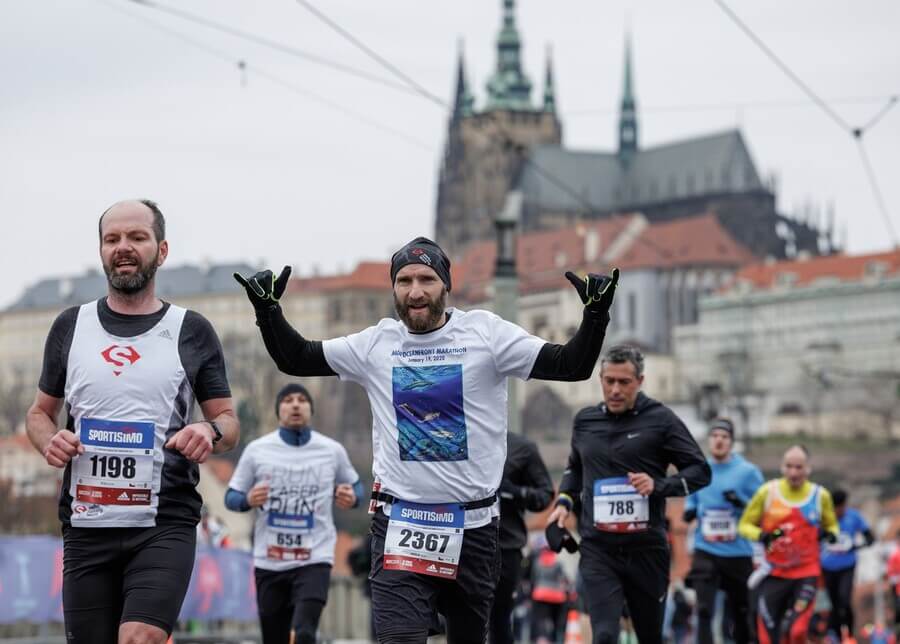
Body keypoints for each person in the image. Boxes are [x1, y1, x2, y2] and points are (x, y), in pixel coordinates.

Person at [234, 236, 619, 643]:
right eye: (403, 281)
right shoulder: (375, 343)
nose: (415, 291)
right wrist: (268, 310)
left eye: (426, 279)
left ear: (446, 286)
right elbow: (296, 357)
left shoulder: (486, 333)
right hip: (401, 523)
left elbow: (571, 366)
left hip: (474, 528)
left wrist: (595, 314)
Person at [25, 199, 239, 644]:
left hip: (163, 522)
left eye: (136, 238)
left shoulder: (190, 330)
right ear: (102, 251)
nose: (123, 247)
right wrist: (49, 441)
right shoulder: (71, 325)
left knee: (139, 637)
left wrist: (208, 430)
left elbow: (228, 421)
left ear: (161, 251)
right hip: (87, 524)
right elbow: (39, 414)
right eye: (112, 239)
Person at [547, 344, 712, 644]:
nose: (615, 389)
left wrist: (658, 486)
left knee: (649, 637)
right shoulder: (585, 420)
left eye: (624, 382)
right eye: (608, 381)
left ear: (640, 381)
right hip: (599, 550)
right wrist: (564, 502)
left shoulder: (661, 419)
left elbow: (700, 471)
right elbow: (575, 467)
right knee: (606, 636)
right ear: (600, 379)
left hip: (646, 550)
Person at [225, 383, 362, 644]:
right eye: (288, 400)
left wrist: (352, 496)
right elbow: (231, 497)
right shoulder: (257, 450)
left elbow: (357, 487)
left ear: (311, 409)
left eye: (302, 399)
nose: (296, 404)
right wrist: (247, 499)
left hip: (315, 557)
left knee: (304, 633)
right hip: (270, 560)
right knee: (275, 637)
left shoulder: (331, 450)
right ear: (279, 411)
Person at [738, 445, 839, 644]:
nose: (794, 472)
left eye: (799, 467)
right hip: (774, 574)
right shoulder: (768, 492)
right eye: (789, 466)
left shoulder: (820, 496)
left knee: (797, 631)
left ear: (808, 468)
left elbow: (832, 526)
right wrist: (762, 535)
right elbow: (744, 525)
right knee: (767, 637)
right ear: (782, 467)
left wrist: (830, 535)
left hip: (806, 573)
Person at [683, 417, 764, 644]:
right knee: (704, 609)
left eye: (724, 437)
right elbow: (692, 501)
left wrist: (740, 503)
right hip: (705, 549)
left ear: (731, 442)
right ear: (709, 440)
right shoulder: (699, 470)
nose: (719, 441)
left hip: (738, 552)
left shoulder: (748, 472)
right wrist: (690, 512)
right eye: (715, 436)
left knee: (742, 612)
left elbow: (762, 509)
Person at [491, 431, 554, 644]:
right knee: (462, 619)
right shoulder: (456, 438)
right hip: (461, 544)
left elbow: (545, 495)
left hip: (505, 547)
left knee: (498, 621)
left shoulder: (522, 447)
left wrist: (515, 492)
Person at [821, 489, 875, 638]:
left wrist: (855, 547)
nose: (839, 512)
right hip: (827, 567)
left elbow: (870, 538)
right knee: (833, 603)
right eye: (835, 508)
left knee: (844, 599)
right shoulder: (824, 518)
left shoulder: (854, 516)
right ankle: (835, 635)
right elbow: (815, 537)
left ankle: (850, 633)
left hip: (847, 566)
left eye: (841, 508)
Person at [530, 544, 571, 644]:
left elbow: (534, 579)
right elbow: (564, 579)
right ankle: (556, 640)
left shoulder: (537, 562)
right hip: (557, 597)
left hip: (540, 595)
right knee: (557, 623)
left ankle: (542, 639)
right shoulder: (558, 563)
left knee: (541, 621)